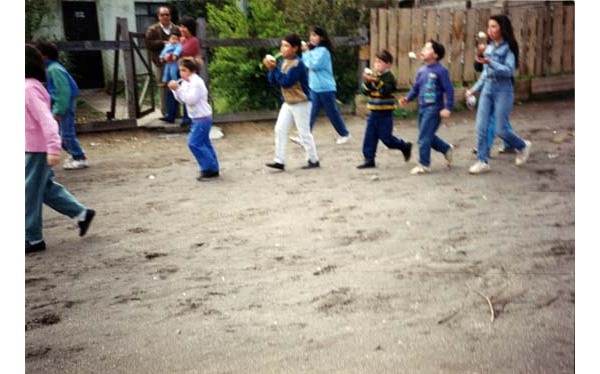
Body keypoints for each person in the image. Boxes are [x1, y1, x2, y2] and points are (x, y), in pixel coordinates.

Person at [25, 44, 96, 254]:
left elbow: (47, 121)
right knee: (45, 189)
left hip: (35, 149)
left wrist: (53, 148)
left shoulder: (29, 88)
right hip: (31, 147)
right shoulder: (27, 86)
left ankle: (32, 238)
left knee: (27, 192)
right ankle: (82, 214)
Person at [466, 14, 532, 174]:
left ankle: (523, 146)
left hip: (503, 90)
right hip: (488, 89)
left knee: (501, 129)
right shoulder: (488, 47)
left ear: (502, 28)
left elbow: (508, 71)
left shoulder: (508, 48)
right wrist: (474, 89)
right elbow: (484, 74)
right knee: (481, 126)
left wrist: (491, 62)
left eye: (494, 26)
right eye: (488, 27)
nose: (490, 30)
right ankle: (483, 161)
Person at [263, 32, 320, 171]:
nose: (282, 49)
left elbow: (286, 82)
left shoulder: (297, 64)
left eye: (286, 46)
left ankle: (313, 159)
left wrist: (274, 69)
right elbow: (274, 81)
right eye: (282, 45)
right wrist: (271, 70)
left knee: (304, 133)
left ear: (295, 49)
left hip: (301, 102)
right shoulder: (284, 62)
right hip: (288, 102)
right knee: (280, 129)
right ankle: (279, 160)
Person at [399, 40, 454, 175]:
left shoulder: (441, 71)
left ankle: (424, 164)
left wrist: (448, 107)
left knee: (423, 137)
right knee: (427, 135)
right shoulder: (422, 70)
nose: (423, 50)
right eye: (424, 47)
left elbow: (449, 90)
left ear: (435, 55)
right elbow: (416, 88)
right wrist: (408, 98)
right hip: (422, 107)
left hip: (434, 108)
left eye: (427, 48)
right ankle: (446, 148)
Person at [35, 41, 88, 170]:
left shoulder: (54, 69)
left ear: (44, 56)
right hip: (62, 103)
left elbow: (63, 91)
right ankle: (76, 153)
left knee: (66, 133)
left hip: (64, 104)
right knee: (61, 133)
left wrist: (58, 110)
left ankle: (79, 157)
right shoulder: (53, 68)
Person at [357, 49, 412, 169]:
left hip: (385, 113)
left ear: (388, 64)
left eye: (380, 62)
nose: (377, 64)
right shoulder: (374, 76)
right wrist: (367, 82)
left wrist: (375, 81)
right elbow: (365, 92)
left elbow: (385, 90)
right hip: (373, 112)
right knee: (369, 137)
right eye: (376, 62)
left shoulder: (389, 77)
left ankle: (404, 146)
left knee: (387, 138)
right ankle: (369, 159)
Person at [296, 26, 351, 145]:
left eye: (315, 35)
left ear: (321, 38)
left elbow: (313, 65)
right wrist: (306, 51)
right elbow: (305, 63)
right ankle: (304, 136)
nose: (312, 38)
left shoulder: (324, 51)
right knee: (310, 112)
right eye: (311, 35)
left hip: (326, 88)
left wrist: (305, 52)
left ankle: (344, 134)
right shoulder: (313, 50)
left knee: (332, 113)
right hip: (314, 87)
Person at [167, 57, 220, 180]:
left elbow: (191, 100)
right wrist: (175, 90)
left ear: (193, 70)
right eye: (180, 70)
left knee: (194, 143)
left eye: (184, 70)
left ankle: (208, 168)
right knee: (204, 143)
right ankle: (213, 168)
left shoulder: (196, 82)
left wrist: (177, 89)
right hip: (197, 117)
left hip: (202, 117)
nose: (181, 73)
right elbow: (181, 99)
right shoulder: (186, 82)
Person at [145, 5, 181, 123]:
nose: (165, 17)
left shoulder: (176, 29)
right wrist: (163, 43)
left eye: (167, 14)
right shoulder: (152, 29)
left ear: (170, 16)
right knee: (163, 86)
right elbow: (148, 44)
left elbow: (181, 43)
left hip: (175, 62)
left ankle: (176, 112)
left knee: (176, 85)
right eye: (162, 15)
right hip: (160, 62)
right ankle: (165, 112)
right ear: (158, 16)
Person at [178, 15, 202, 126]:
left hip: (190, 72)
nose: (182, 29)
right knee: (182, 92)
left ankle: (190, 117)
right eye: (181, 26)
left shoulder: (194, 41)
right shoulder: (181, 40)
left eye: (184, 27)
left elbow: (191, 56)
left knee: (190, 94)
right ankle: (184, 116)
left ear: (190, 28)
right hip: (182, 71)